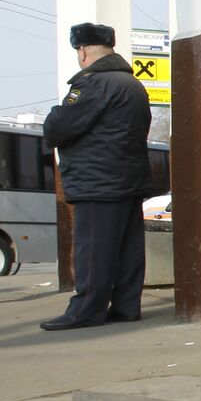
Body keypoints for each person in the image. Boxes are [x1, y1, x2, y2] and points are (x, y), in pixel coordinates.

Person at [40, 22, 153, 331]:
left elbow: (58, 128)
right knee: (128, 249)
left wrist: (54, 113)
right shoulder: (133, 85)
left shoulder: (93, 85)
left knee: (94, 250)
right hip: (129, 179)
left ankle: (85, 311)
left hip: (98, 181)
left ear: (83, 50)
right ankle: (126, 307)